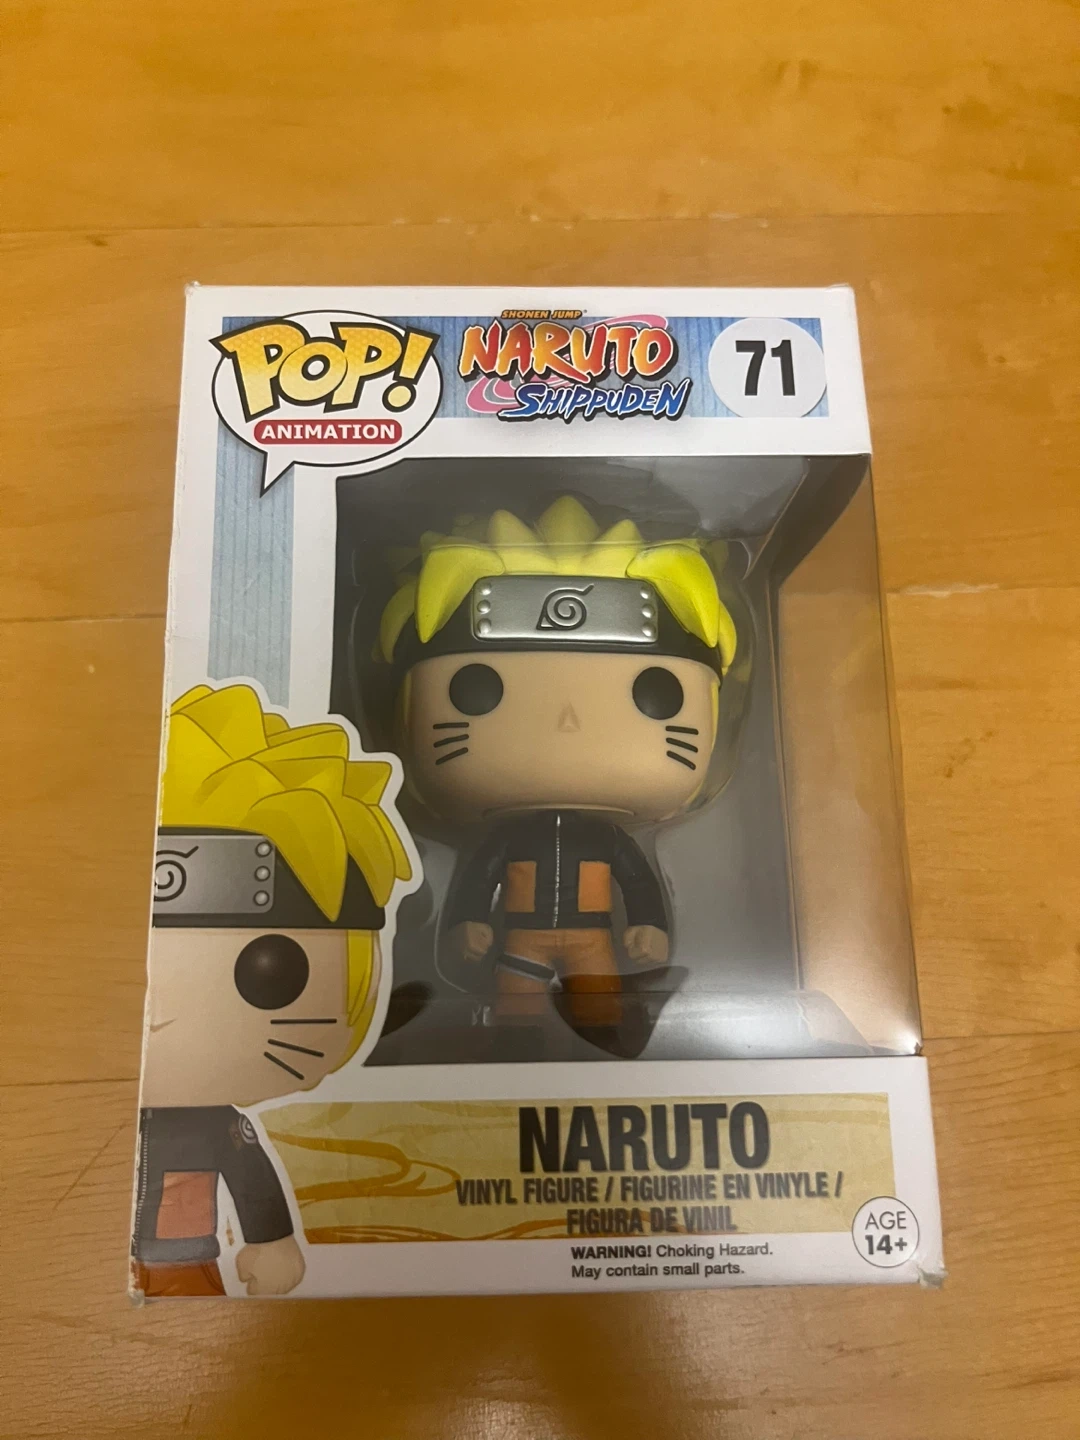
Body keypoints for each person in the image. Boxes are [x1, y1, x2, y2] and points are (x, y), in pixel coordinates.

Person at [379, 496, 735, 1055]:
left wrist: (649, 923)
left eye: (655, 692)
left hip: (592, 937)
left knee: (598, 1002)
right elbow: (478, 880)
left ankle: (603, 1041)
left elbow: (639, 884)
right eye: (478, 686)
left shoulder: (607, 840)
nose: (568, 720)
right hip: (523, 936)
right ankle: (519, 1047)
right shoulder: (520, 839)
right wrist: (467, 921)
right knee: (517, 1002)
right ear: (405, 706)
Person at [131, 683, 411, 1297]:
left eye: (269, 969)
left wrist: (272, 1240)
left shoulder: (220, 1129)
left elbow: (254, 1184)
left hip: (183, 1265)